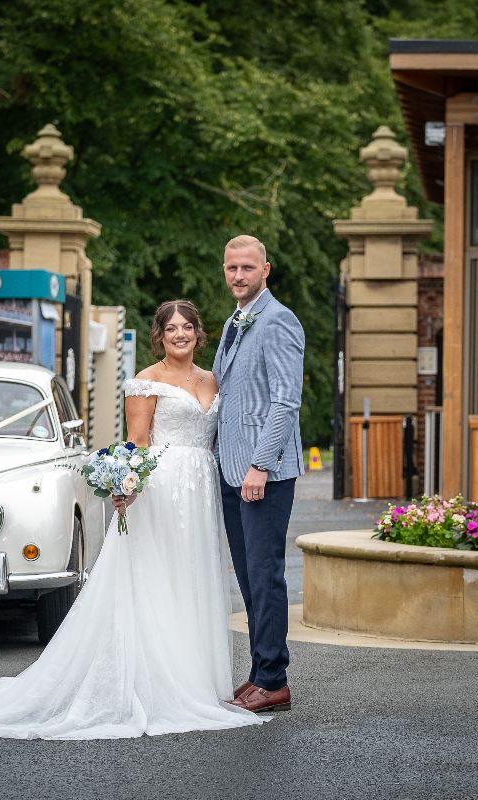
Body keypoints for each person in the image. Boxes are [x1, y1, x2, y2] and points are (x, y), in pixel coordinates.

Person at [0, 300, 265, 739]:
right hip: (160, 489)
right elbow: (138, 443)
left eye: (188, 327)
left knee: (191, 578)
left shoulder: (213, 380)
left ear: (199, 333)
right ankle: (158, 683)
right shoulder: (146, 381)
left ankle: (197, 679)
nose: (180, 334)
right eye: (171, 328)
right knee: (156, 579)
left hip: (201, 488)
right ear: (159, 335)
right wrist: (128, 486)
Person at [213, 234, 305, 713]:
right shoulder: (234, 321)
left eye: (247, 268)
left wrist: (260, 465)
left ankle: (274, 679)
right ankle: (260, 672)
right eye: (231, 268)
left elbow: (286, 402)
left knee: (265, 575)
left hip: (261, 473)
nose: (238, 276)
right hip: (233, 472)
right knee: (249, 577)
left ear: (265, 269)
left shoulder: (278, 320)